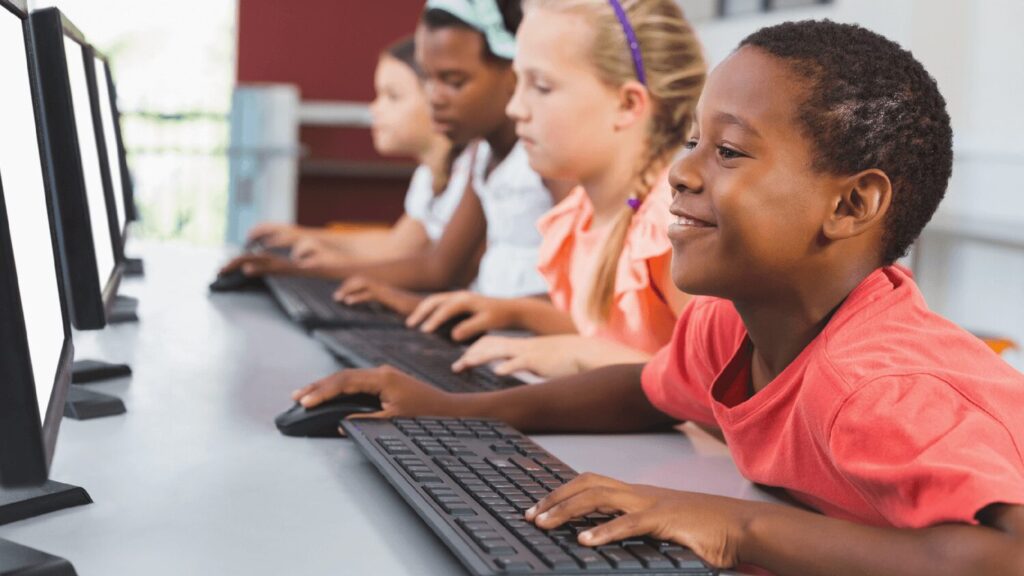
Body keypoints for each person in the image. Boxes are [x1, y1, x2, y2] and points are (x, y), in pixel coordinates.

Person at [291, 19, 1024, 575]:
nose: (682, 171)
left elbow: (1003, 555)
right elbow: (646, 391)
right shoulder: (728, 324)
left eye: (729, 151)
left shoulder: (878, 386)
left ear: (852, 204)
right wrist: (455, 411)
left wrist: (733, 526)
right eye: (695, 141)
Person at [388, 0, 704, 378]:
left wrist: (585, 357)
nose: (515, 109)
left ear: (627, 104)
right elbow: (604, 330)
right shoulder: (586, 217)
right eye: (518, 83)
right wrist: (514, 312)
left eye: (540, 86)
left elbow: (715, 388)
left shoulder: (670, 228)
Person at [226, 0, 565, 309]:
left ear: (513, 74)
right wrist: (296, 272)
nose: (436, 98)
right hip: (496, 339)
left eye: (454, 81)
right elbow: (438, 265)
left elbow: (582, 295)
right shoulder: (483, 155)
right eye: (429, 80)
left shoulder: (547, 154)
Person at [245, 37, 470, 270]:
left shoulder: (468, 177)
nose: (375, 108)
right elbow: (398, 245)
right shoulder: (428, 176)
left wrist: (335, 264)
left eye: (393, 96)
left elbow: (428, 266)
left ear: (439, 99)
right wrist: (299, 235)